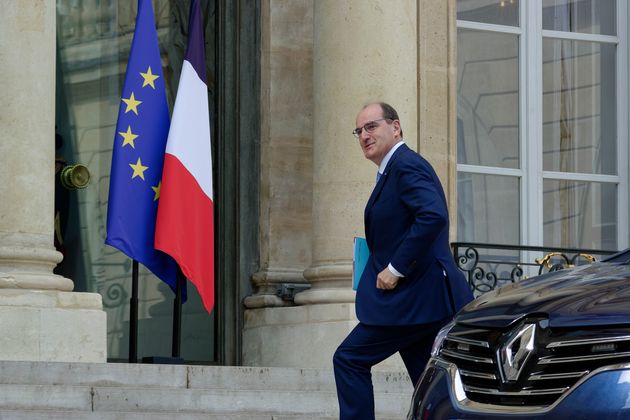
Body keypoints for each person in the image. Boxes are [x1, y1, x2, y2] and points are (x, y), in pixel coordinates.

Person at [333, 102, 474, 419]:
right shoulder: (393, 170)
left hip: (414, 299)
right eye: (359, 131)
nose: (364, 135)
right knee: (432, 390)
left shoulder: (405, 165)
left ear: (395, 127)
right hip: (422, 303)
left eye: (372, 126)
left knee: (349, 358)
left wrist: (395, 268)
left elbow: (432, 215)